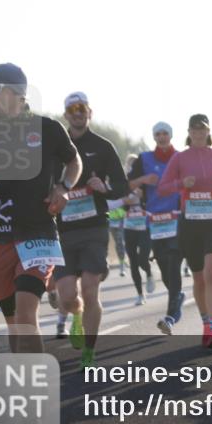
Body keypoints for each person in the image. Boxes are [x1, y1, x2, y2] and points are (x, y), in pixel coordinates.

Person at [0, 63, 81, 354]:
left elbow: (75, 162)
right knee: (14, 324)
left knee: (25, 317)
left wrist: (63, 187)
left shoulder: (47, 128)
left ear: (17, 93)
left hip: (38, 232)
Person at [53, 92, 128, 370]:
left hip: (94, 228)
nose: (77, 113)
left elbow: (122, 186)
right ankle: (75, 316)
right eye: (72, 109)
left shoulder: (103, 147)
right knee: (67, 295)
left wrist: (104, 188)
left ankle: (89, 351)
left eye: (82, 108)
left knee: (90, 288)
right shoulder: (55, 148)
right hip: (63, 231)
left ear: (89, 112)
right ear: (66, 115)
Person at [157, 114, 212, 350]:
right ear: (188, 132)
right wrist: (182, 184)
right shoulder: (180, 158)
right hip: (190, 223)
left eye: (203, 129)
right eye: (195, 130)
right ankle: (205, 323)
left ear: (209, 132)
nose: (199, 133)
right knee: (199, 278)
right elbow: (163, 188)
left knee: (211, 273)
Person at [128, 122, 185, 334]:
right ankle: (178, 297)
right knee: (164, 269)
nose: (162, 137)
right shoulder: (144, 160)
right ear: (154, 137)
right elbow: (127, 185)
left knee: (173, 264)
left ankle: (171, 316)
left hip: (177, 219)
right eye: (158, 134)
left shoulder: (180, 157)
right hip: (155, 221)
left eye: (165, 133)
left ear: (170, 136)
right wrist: (144, 179)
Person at [122, 155, 154, 300]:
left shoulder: (146, 183)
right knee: (133, 261)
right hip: (129, 226)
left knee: (142, 258)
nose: (131, 168)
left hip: (144, 225)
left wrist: (143, 197)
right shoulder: (125, 184)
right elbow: (121, 204)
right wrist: (127, 199)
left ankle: (148, 273)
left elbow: (153, 201)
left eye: (134, 165)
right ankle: (140, 294)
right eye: (129, 165)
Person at [108, 202, 128, 277]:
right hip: (111, 221)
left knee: (120, 242)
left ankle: (122, 267)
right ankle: (122, 262)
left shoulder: (120, 191)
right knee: (118, 244)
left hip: (122, 219)